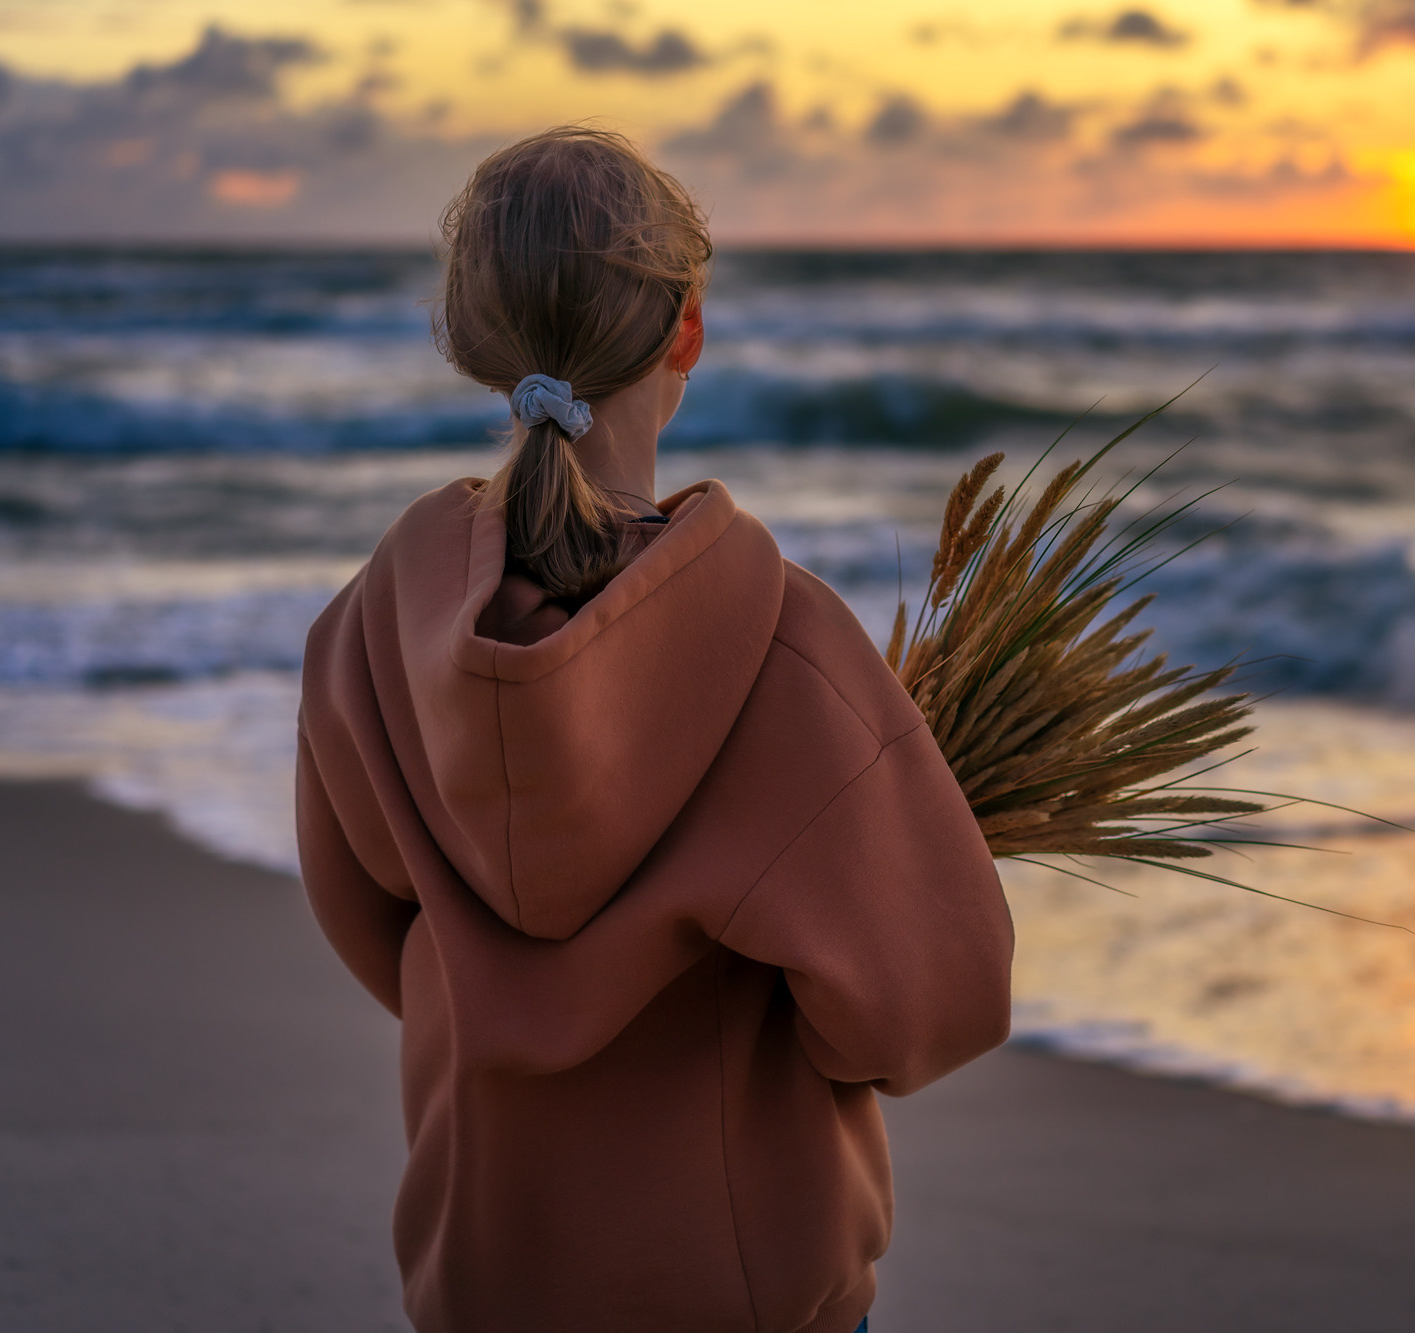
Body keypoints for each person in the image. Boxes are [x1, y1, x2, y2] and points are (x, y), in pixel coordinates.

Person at [294, 126, 1014, 1333]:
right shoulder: (782, 647)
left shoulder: (370, 635)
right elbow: (929, 1005)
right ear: (687, 327)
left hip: (484, 1282)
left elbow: (377, 936)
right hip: (742, 1299)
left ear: (474, 339)